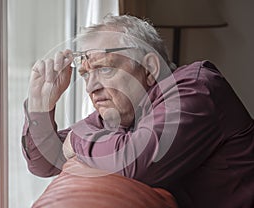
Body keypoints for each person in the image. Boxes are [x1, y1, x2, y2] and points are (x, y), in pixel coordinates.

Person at [22, 14, 254, 208]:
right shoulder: (122, 111)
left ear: (150, 68)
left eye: (104, 69)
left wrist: (76, 139)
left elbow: (134, 162)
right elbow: (44, 162)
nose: (91, 87)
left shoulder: (196, 90)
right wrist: (40, 106)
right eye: (85, 74)